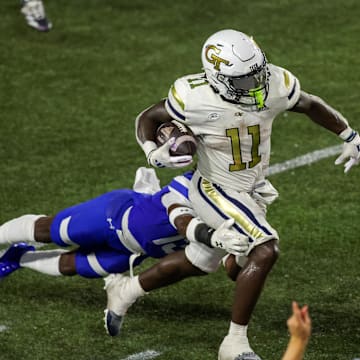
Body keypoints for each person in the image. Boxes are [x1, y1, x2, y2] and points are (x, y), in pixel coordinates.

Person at [105, 29, 360, 360]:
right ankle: (234, 343)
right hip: (214, 188)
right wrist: (154, 152)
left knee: (202, 262)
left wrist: (350, 135)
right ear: (217, 78)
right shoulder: (193, 97)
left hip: (252, 189)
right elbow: (150, 117)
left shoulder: (273, 82)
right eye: (243, 80)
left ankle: (126, 290)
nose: (255, 84)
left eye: (258, 72)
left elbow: (309, 103)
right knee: (265, 250)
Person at [0, 167, 248, 331]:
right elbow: (180, 220)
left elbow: (229, 268)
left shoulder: (230, 218)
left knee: (71, 265)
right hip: (113, 217)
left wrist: (244, 254)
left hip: (132, 251)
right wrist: (211, 236)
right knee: (50, 231)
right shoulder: (193, 183)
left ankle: (19, 257)